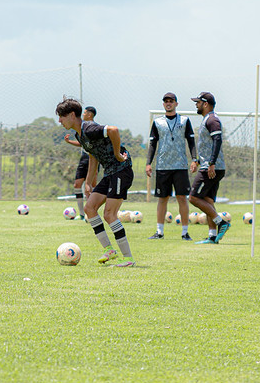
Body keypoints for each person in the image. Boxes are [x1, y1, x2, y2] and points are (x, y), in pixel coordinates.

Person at [56, 96, 136, 267]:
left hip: (121, 171)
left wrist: (116, 154)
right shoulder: (81, 134)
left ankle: (128, 258)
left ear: (71, 115)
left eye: (61, 116)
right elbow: (93, 155)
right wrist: (89, 181)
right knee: (89, 208)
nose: (59, 120)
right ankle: (109, 250)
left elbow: (113, 130)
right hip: (110, 174)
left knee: (109, 214)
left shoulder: (89, 128)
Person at [145, 92, 197, 241]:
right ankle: (159, 232)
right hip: (162, 166)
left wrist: (194, 159)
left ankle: (185, 232)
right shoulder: (157, 122)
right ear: (163, 104)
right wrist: (149, 163)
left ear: (176, 104)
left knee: (182, 197)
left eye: (171, 101)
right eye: (166, 101)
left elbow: (191, 142)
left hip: (180, 165)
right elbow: (153, 144)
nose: (169, 103)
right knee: (162, 198)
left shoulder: (185, 120)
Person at [188, 92, 230, 244]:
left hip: (211, 168)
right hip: (209, 165)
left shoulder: (212, 119)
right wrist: (198, 160)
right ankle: (212, 236)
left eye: (198, 102)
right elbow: (208, 146)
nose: (196, 104)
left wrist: (211, 163)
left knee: (193, 197)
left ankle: (221, 223)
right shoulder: (208, 119)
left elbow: (217, 140)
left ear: (205, 104)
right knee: (207, 200)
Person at [64, 105, 98, 220]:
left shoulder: (94, 128)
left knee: (91, 187)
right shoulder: (81, 128)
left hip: (93, 158)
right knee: (77, 185)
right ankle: (82, 214)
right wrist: (69, 142)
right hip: (84, 158)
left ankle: (91, 213)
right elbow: (83, 144)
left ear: (89, 114)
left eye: (84, 113)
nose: (83, 114)